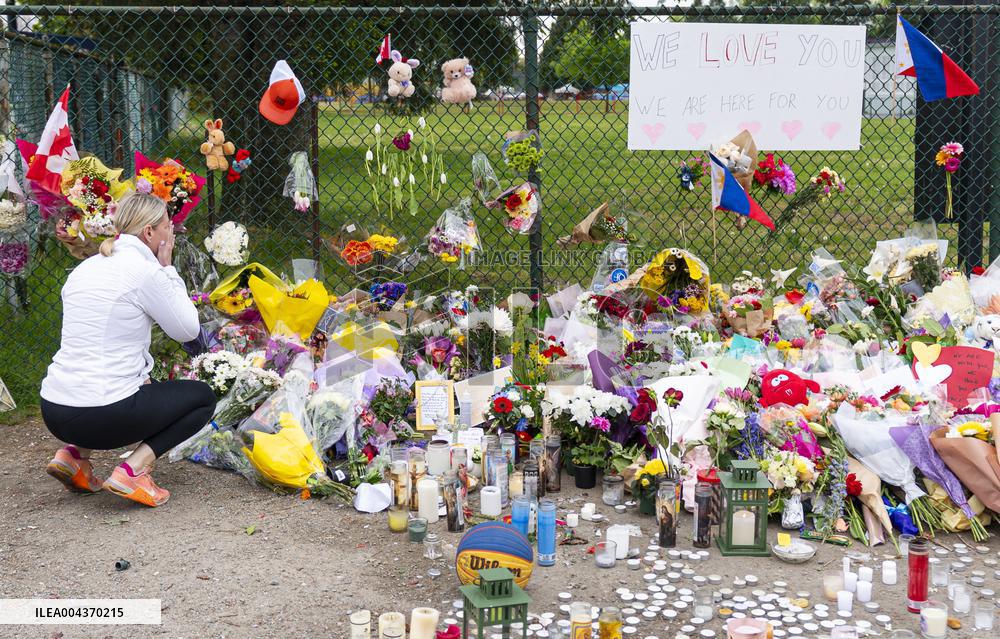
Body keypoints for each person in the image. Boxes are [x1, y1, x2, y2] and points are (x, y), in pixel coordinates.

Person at [40, 192, 216, 507]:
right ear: (149, 233)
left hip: (54, 408)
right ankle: (133, 471)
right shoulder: (146, 271)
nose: (172, 232)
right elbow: (188, 329)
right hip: (102, 415)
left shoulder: (87, 268)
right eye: (168, 225)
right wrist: (168, 270)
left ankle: (73, 456)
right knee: (202, 398)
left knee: (121, 383)